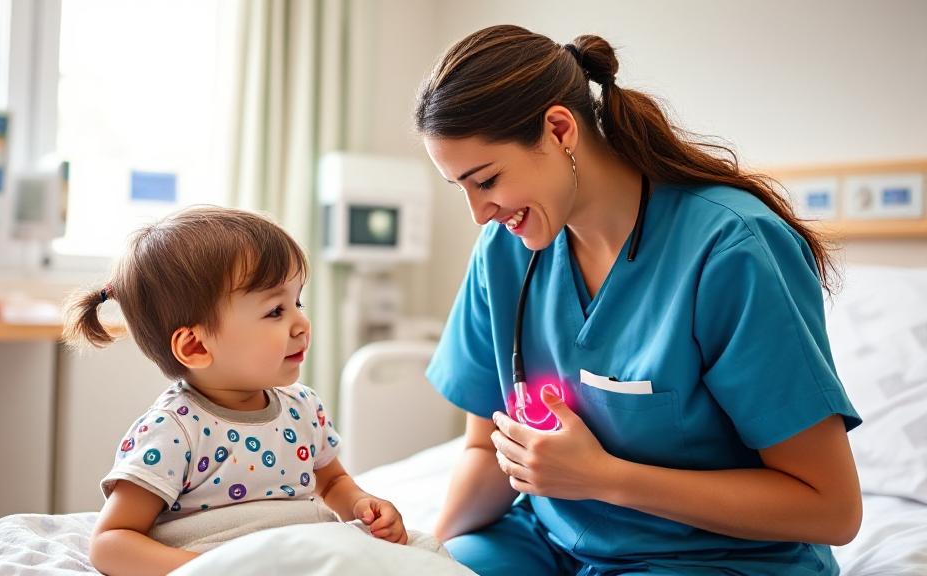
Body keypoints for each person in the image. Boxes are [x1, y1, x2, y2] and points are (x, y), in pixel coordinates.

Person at [415, 25, 862, 575]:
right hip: (546, 540)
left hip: (707, 558)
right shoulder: (504, 254)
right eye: (460, 187)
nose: (479, 213)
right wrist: (422, 554)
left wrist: (603, 477)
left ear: (559, 130)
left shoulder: (730, 250)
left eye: (486, 180)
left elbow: (831, 508)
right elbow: (488, 452)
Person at [64, 206, 408, 576]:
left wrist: (362, 504)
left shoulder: (304, 408)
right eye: (276, 311)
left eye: (298, 302)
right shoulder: (175, 431)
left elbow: (334, 482)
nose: (301, 323)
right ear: (195, 347)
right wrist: (207, 570)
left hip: (307, 556)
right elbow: (111, 541)